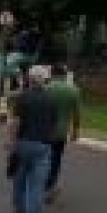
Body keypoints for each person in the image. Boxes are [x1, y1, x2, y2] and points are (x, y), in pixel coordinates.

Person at [7, 65, 58, 213]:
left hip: (23, 144)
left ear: (29, 78)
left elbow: (16, 122)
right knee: (37, 185)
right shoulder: (52, 99)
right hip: (43, 146)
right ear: (45, 80)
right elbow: (53, 124)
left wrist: (11, 142)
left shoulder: (23, 97)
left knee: (20, 181)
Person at [44, 64, 81, 203]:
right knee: (56, 160)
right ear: (65, 74)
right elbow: (76, 113)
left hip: (44, 130)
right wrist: (76, 130)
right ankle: (51, 187)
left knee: (44, 159)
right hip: (61, 132)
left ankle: (42, 184)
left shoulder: (46, 88)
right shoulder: (73, 91)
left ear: (52, 74)